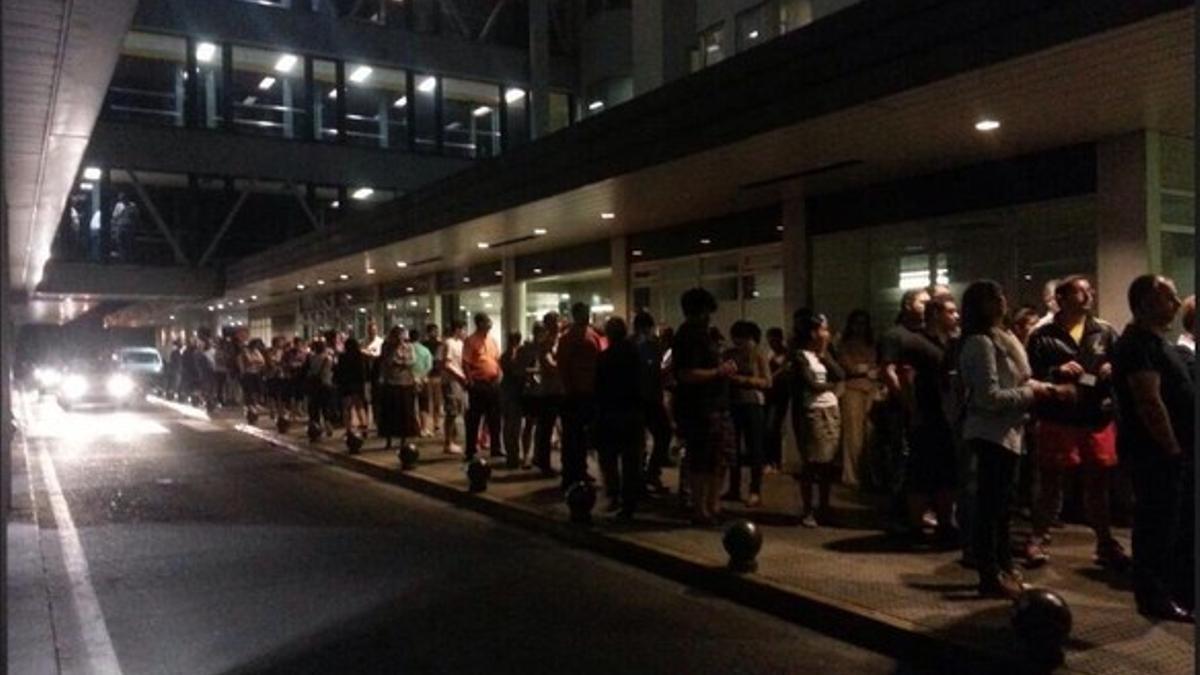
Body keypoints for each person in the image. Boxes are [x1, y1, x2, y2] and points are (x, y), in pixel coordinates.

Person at [958, 279, 1065, 599]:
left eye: (1001, 295)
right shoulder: (979, 343)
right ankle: (989, 572)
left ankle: (1003, 565)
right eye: (995, 297)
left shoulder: (1003, 337)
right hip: (991, 434)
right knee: (991, 507)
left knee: (1002, 507)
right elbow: (988, 397)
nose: (1002, 301)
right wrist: (1032, 393)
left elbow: (1020, 377)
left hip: (1010, 432)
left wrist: (1047, 384)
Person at [1024, 276, 1128, 570]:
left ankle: (1105, 542)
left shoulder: (1104, 331)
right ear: (1062, 297)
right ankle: (1038, 538)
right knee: (1050, 482)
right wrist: (1056, 371)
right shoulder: (1042, 333)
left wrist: (1113, 368)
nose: (1087, 294)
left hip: (1096, 417)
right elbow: (1026, 374)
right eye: (1080, 291)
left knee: (1098, 483)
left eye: (1089, 290)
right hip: (1058, 417)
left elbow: (1123, 367)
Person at [1112, 275, 1194, 622]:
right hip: (1156, 454)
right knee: (1157, 525)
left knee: (1172, 523)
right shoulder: (1138, 345)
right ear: (1146, 302)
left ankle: (1171, 589)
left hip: (1169, 452)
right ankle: (1154, 596)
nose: (1176, 305)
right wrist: (1172, 447)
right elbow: (1149, 402)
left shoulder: (1155, 342)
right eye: (1169, 298)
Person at [672, 288, 737, 526]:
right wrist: (718, 372)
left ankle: (713, 505)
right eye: (706, 312)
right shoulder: (688, 336)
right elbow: (686, 374)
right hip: (699, 408)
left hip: (716, 405)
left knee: (720, 457)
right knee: (702, 458)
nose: (709, 316)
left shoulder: (705, 335)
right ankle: (700, 509)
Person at [904, 293, 960, 541]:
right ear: (936, 314)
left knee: (947, 471)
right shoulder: (916, 342)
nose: (955, 316)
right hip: (927, 414)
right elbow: (906, 376)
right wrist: (913, 409)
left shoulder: (954, 342)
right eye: (950, 311)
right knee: (921, 471)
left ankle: (946, 522)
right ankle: (916, 525)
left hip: (949, 414)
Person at [875, 288, 931, 530]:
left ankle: (917, 510)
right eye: (922, 302)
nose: (927, 307)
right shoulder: (894, 335)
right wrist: (907, 401)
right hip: (901, 409)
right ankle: (896, 513)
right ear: (908, 304)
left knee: (920, 461)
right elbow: (888, 371)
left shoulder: (927, 334)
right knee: (902, 458)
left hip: (925, 407)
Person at [784, 310, 844, 528]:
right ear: (813, 332)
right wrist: (830, 387)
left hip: (831, 409)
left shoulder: (824, 354)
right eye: (824, 328)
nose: (827, 333)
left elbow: (840, 375)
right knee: (812, 463)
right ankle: (808, 509)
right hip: (811, 412)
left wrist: (825, 355)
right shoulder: (800, 356)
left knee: (828, 463)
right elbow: (812, 384)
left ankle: (825, 506)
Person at [593, 317, 645, 519]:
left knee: (609, 457)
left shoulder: (604, 357)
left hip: (611, 412)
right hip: (632, 412)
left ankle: (614, 494)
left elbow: (598, 388)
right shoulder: (635, 355)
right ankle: (629, 501)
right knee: (631, 460)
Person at [723, 320, 771, 507]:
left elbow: (767, 382)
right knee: (732, 448)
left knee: (754, 448)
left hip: (753, 403)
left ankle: (755, 490)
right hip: (733, 403)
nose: (739, 342)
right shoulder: (729, 353)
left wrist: (743, 379)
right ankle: (734, 488)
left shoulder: (758, 353)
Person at [556, 303, 603, 489]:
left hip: (588, 392)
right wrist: (569, 388)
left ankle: (580, 469)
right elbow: (563, 365)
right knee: (571, 436)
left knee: (582, 436)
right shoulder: (569, 338)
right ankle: (570, 472)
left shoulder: (592, 336)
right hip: (575, 393)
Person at [834, 310, 877, 488]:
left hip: (871, 391)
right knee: (853, 436)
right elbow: (848, 367)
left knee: (869, 435)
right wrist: (865, 369)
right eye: (857, 323)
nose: (860, 327)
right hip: (852, 391)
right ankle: (851, 476)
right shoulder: (845, 344)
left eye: (863, 323)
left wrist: (864, 369)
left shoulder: (871, 344)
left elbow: (875, 365)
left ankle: (867, 475)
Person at [633, 312, 672, 493]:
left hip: (639, 398)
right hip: (648, 399)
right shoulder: (646, 346)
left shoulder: (633, 344)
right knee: (663, 433)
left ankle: (643, 475)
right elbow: (652, 372)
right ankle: (649, 473)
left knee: (641, 439)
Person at [462, 313, 503, 462]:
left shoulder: (492, 341)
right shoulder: (471, 341)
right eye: (487, 321)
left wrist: (499, 374)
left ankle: (496, 448)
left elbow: (497, 360)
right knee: (474, 418)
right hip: (478, 384)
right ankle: (471, 449)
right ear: (479, 323)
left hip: (493, 383)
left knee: (495, 418)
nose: (490, 324)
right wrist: (470, 380)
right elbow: (465, 362)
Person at [376, 327, 419, 451]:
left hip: (406, 383)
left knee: (404, 413)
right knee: (390, 413)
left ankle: (403, 440)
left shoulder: (409, 347)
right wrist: (397, 354)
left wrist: (401, 361)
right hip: (391, 383)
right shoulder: (387, 347)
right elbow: (388, 361)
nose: (401, 339)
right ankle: (388, 439)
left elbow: (412, 361)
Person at [533, 312, 564, 476]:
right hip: (549, 390)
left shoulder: (561, 340)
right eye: (553, 322)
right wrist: (564, 364)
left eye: (557, 321)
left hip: (561, 389)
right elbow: (549, 365)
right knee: (546, 427)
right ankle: (542, 461)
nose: (557, 324)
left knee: (561, 428)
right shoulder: (545, 343)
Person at [500, 331, 532, 469]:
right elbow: (513, 370)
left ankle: (513, 455)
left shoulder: (520, 354)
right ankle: (512, 455)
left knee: (514, 425)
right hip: (510, 392)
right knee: (511, 425)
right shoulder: (508, 355)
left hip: (515, 392)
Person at [333, 337, 370, 446]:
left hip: (346, 384)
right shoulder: (361, 357)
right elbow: (365, 371)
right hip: (358, 384)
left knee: (347, 408)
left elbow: (339, 371)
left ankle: (349, 429)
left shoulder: (343, 357)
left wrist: (338, 381)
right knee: (360, 406)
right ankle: (364, 427)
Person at [439, 320, 468, 454]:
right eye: (463, 329)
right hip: (451, 381)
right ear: (457, 329)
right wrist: (461, 377)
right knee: (451, 412)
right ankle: (448, 442)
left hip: (459, 381)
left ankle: (453, 440)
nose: (465, 332)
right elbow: (447, 364)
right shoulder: (449, 343)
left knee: (457, 410)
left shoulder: (461, 344)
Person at [764, 326, 790, 471]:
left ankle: (775, 460)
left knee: (773, 427)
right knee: (769, 428)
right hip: (769, 394)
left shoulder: (786, 355)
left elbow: (784, 372)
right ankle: (771, 460)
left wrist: (771, 376)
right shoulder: (770, 354)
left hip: (780, 394)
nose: (771, 343)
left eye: (774, 340)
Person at [305, 340, 336, 437]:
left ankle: (316, 428)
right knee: (326, 407)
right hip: (326, 384)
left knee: (315, 408)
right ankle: (328, 426)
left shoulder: (311, 358)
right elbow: (334, 369)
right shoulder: (329, 358)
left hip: (314, 386)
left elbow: (307, 370)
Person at [421, 324, 444, 436]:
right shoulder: (424, 344)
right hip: (429, 375)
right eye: (433, 331)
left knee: (436, 401)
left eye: (436, 331)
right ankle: (430, 424)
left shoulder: (440, 344)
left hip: (436, 375)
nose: (435, 333)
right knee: (429, 401)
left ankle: (436, 423)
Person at [237, 338, 267, 418]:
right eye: (257, 344)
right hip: (247, 374)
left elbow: (262, 361)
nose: (258, 346)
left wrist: (255, 361)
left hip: (256, 373)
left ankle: (255, 404)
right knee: (249, 391)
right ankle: (249, 406)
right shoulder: (245, 351)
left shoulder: (256, 351)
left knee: (257, 389)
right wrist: (255, 361)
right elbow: (249, 360)